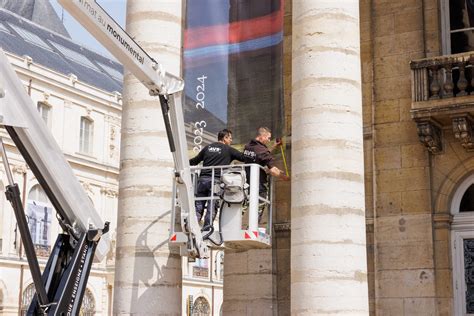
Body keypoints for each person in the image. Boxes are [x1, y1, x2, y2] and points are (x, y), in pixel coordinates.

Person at [189, 129, 244, 230]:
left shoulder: (207, 148)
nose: (231, 141)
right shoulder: (228, 149)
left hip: (202, 180)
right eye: (230, 138)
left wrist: (185, 163)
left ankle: (193, 226)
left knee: (198, 204)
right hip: (215, 182)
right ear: (225, 138)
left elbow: (195, 161)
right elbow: (243, 157)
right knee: (212, 205)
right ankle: (207, 228)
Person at [243, 127, 289, 220]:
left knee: (245, 206)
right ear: (262, 136)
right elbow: (272, 170)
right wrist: (285, 177)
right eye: (268, 138)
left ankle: (241, 225)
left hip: (247, 183)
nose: (269, 140)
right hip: (259, 184)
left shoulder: (248, 146)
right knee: (259, 206)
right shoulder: (262, 150)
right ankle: (253, 227)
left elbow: (260, 154)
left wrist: (274, 146)